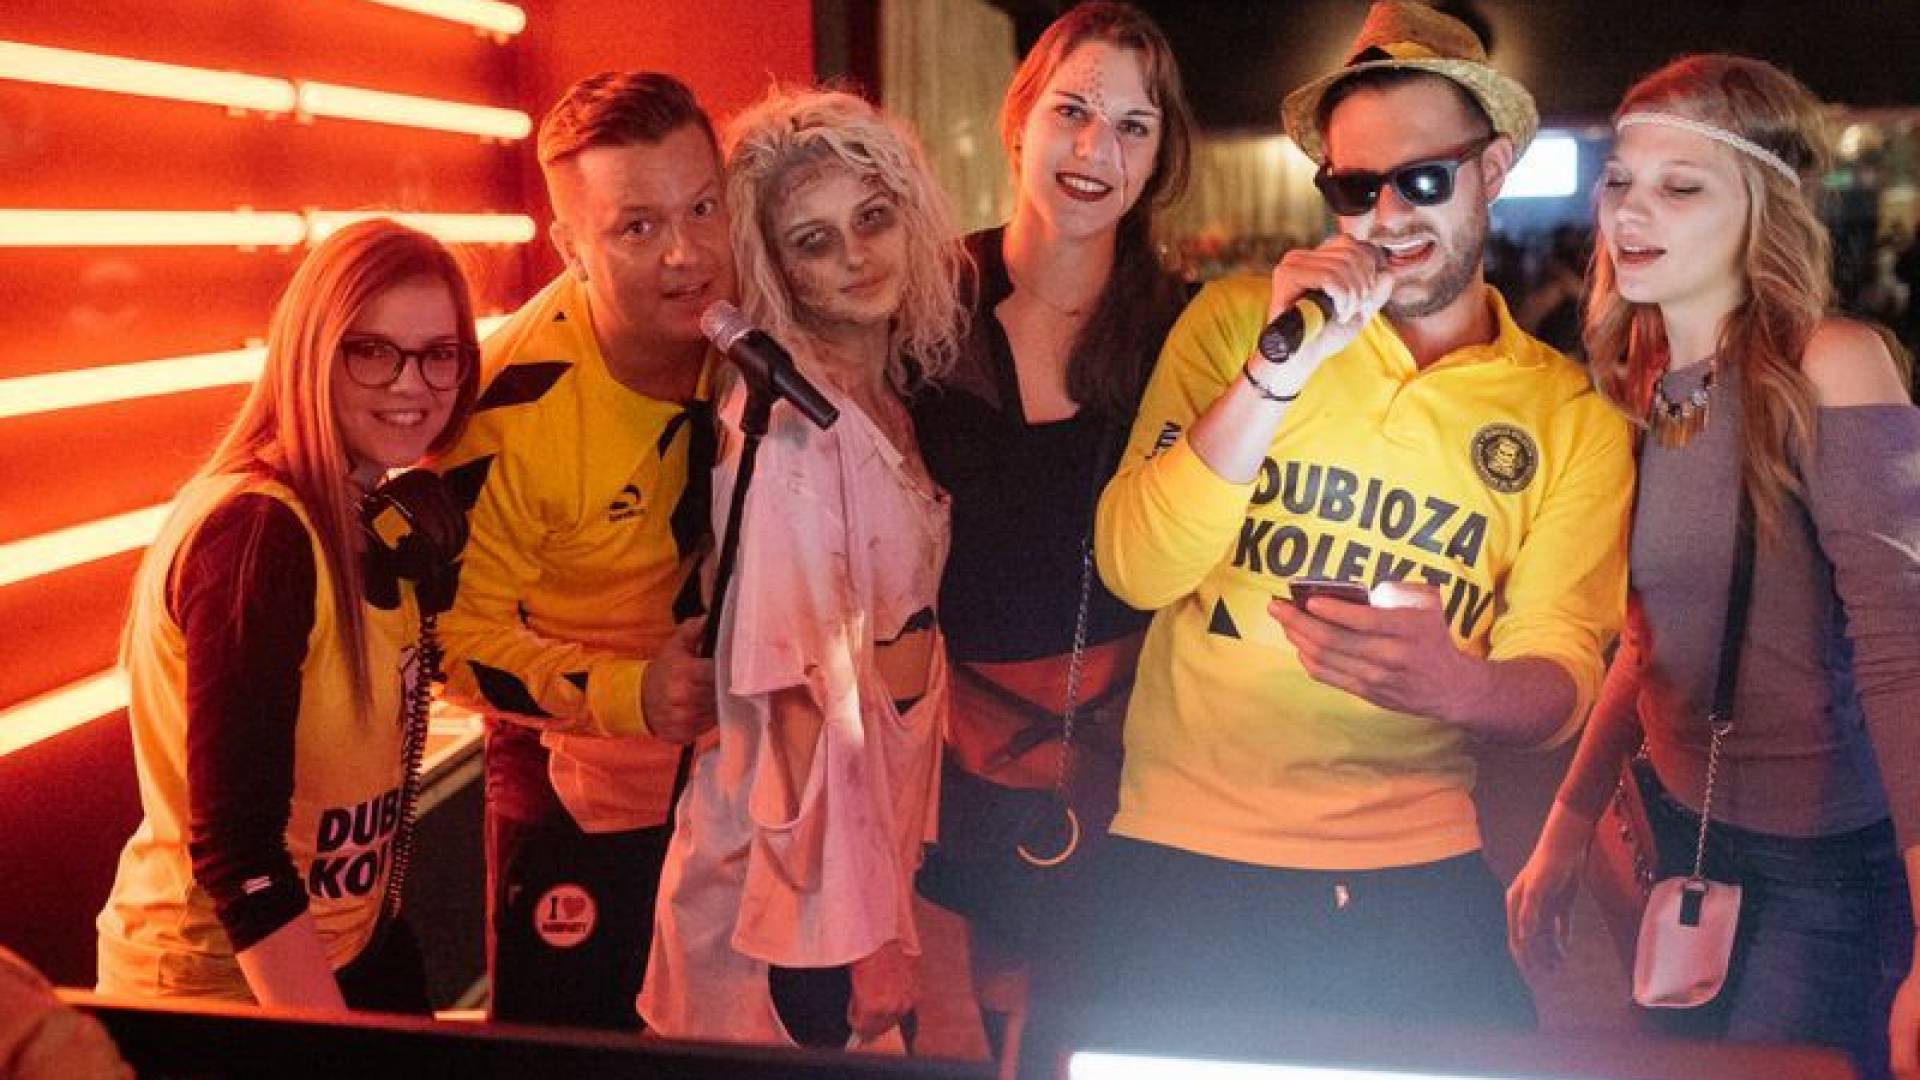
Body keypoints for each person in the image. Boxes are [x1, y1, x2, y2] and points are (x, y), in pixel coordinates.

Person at [1043, 0, 1636, 1064]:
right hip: (1182, 846)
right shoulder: (1240, 322)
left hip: (1413, 857)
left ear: (1493, 169)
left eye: (1423, 180)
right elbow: (1137, 564)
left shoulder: (1567, 416)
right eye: (1355, 188)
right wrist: (1279, 369)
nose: (1387, 217)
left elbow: (1559, 680)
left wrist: (1457, 686)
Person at [1506, 55, 1920, 1080]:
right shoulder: (1642, 385)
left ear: (1760, 211)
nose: (1631, 210)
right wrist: (1566, 826)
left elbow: (1904, 652)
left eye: (1681, 187)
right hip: (1676, 835)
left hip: (1825, 865)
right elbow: (1647, 641)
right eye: (1621, 180)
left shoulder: (1829, 364)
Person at [638, 86, 967, 1050]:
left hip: (855, 855)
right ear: (776, 266)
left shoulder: (888, 392)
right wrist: (856, 932)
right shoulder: (787, 427)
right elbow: (794, 705)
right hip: (786, 892)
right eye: (815, 241)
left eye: (873, 218)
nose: (856, 255)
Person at [96, 219, 480, 1012]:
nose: (411, 384)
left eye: (438, 353)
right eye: (372, 351)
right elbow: (240, 856)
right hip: (223, 992)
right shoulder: (258, 536)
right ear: (312, 355)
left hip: (350, 946)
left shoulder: (373, 516)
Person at [906, 0, 1192, 1065]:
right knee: (965, 1043)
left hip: (1138, 763)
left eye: (1132, 126)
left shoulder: (1185, 330)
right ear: (1017, 117)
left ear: (1159, 158)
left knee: (1104, 1036)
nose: (1094, 148)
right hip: (946, 762)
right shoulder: (923, 306)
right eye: (1072, 110)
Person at [435, 72, 727, 1030]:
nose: (687, 254)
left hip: (745, 774)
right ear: (570, 246)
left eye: (702, 208)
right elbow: (448, 641)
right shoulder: (507, 412)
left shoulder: (763, 313)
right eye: (637, 227)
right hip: (578, 779)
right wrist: (630, 692)